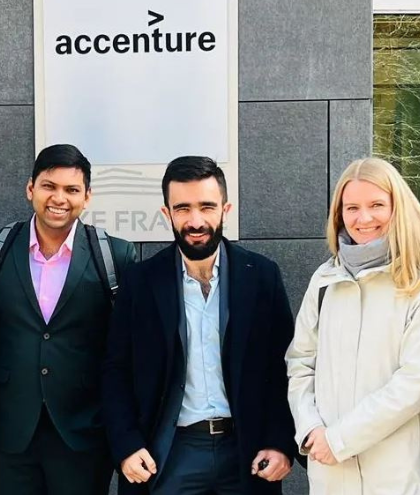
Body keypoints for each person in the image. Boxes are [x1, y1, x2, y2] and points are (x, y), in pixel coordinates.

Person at [103, 156, 299, 495]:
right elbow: (115, 370)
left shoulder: (261, 276)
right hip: (169, 454)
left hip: (246, 453)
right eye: (182, 208)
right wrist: (126, 445)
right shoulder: (141, 282)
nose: (196, 221)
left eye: (207, 207)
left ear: (226, 209)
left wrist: (280, 441)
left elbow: (285, 366)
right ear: (166, 214)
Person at [0, 144, 136, 495]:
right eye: (49, 186)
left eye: (71, 189)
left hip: (83, 432)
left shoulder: (115, 255)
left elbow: (124, 352)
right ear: (30, 188)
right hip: (10, 433)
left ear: (87, 197)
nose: (59, 198)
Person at [286, 157, 420, 494]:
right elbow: (301, 362)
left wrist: (339, 439)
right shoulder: (325, 279)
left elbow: (416, 382)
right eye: (352, 208)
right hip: (331, 474)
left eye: (377, 205)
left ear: (397, 208)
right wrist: (310, 429)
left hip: (400, 474)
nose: (363, 218)